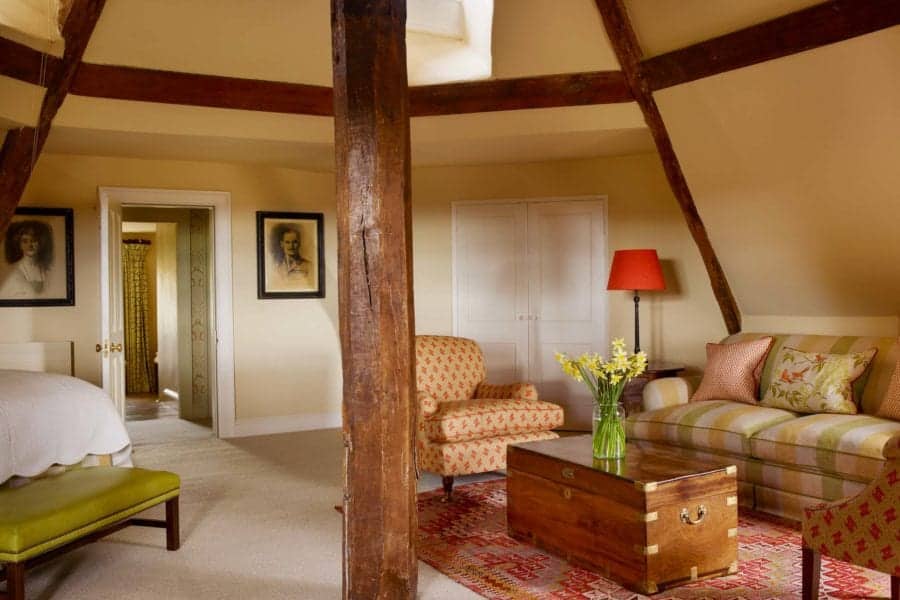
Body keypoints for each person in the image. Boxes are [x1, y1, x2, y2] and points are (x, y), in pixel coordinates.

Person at [2, 220, 54, 297]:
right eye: (25, 241)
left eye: (34, 240)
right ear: (19, 244)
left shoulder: (45, 268)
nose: (30, 245)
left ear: (39, 243)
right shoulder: (15, 269)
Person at [269, 223, 314, 290]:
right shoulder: (276, 266)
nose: (291, 246)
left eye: (295, 242)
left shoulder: (309, 266)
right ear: (282, 244)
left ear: (299, 243)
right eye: (287, 242)